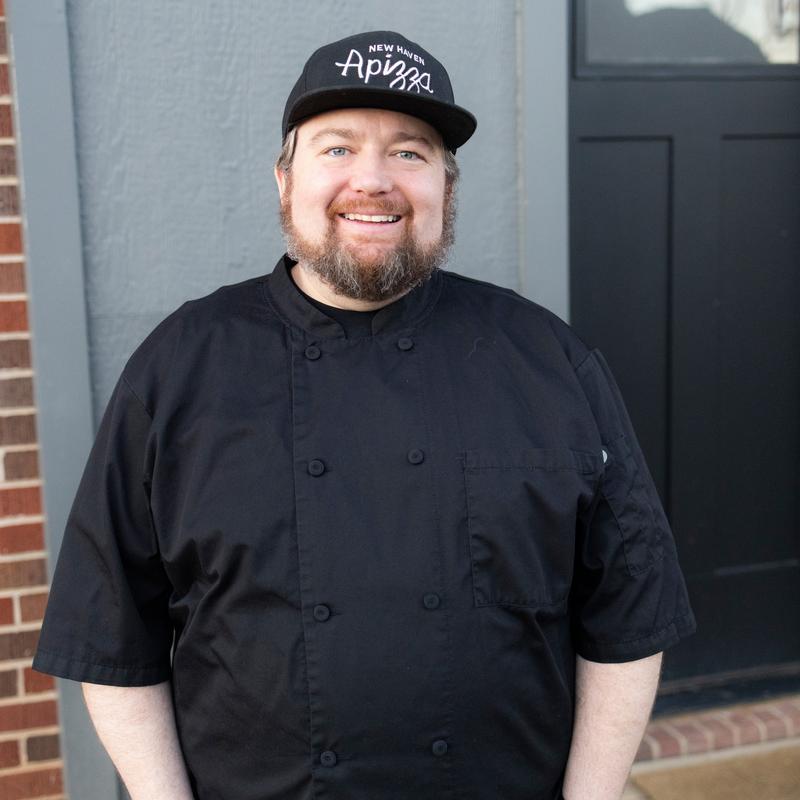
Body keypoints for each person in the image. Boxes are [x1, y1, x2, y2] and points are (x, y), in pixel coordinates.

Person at [33, 30, 695, 800]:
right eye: (338, 148)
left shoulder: (549, 361)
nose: (372, 180)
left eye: (410, 152)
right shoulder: (181, 367)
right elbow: (112, 635)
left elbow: (629, 618)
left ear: (446, 188)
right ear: (284, 180)